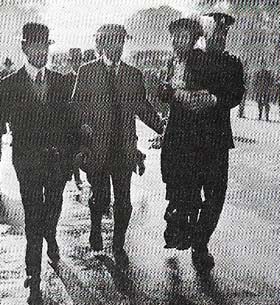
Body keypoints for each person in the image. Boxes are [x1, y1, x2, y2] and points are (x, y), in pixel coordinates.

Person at [71, 24, 164, 269]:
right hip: (96, 149)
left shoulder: (133, 74)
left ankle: (118, 244)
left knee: (124, 201)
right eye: (111, 42)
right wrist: (83, 133)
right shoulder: (87, 71)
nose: (116, 47)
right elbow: (77, 107)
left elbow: (142, 107)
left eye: (120, 42)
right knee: (100, 197)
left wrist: (163, 128)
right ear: (100, 45)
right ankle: (95, 230)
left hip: (124, 149)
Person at [158, 15, 244, 274]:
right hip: (188, 142)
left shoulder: (231, 63)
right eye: (214, 35)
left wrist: (214, 100)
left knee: (216, 196)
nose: (219, 39)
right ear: (205, 37)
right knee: (189, 194)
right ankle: (184, 229)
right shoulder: (188, 58)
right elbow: (166, 87)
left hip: (216, 142)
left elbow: (236, 93)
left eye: (223, 35)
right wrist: (177, 94)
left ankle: (201, 242)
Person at [0, 23, 76, 304]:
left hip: (58, 161)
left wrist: (74, 153)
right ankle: (33, 271)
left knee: (53, 206)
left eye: (45, 45)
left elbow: (71, 122)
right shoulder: (8, 86)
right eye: (35, 46)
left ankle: (52, 237)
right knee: (33, 215)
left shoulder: (62, 81)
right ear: (24, 48)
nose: (41, 51)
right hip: (27, 163)